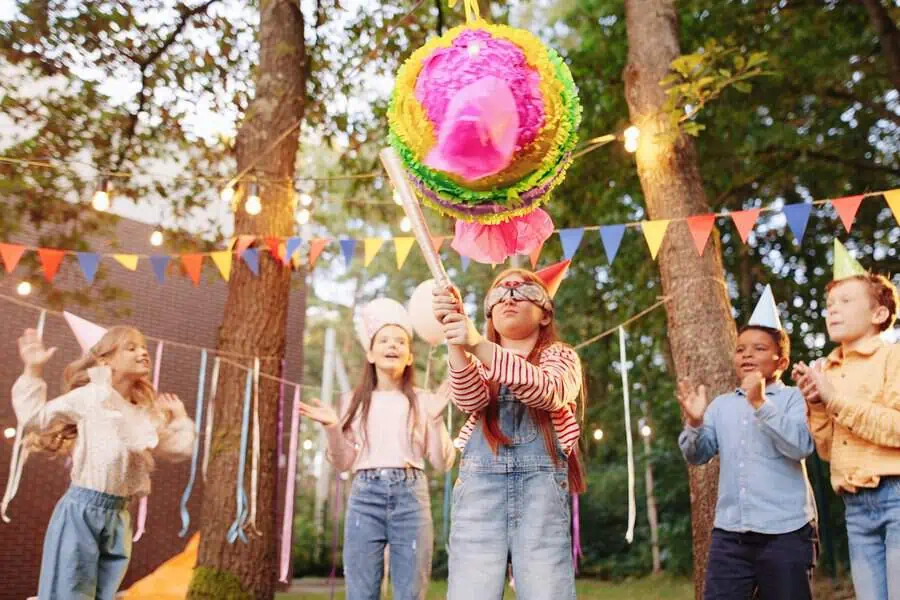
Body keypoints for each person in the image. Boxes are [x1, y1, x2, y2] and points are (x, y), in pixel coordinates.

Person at [11, 315, 194, 600]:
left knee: (103, 595)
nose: (143, 352)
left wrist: (181, 419)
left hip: (119, 516)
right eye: (130, 348)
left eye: (143, 347)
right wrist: (33, 369)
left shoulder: (144, 413)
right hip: (81, 511)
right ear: (105, 361)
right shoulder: (91, 397)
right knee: (69, 592)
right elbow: (35, 418)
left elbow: (178, 450)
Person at [433, 261, 584, 600]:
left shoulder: (560, 357)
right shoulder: (476, 364)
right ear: (489, 314)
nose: (510, 296)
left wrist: (477, 344)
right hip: (479, 495)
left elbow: (548, 390)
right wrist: (454, 336)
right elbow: (469, 399)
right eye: (500, 292)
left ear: (545, 314)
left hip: (540, 495)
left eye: (524, 290)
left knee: (547, 591)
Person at [298, 298, 454, 600]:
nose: (392, 345)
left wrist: (435, 422)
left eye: (400, 341)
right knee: (360, 592)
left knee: (411, 592)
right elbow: (343, 463)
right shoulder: (351, 402)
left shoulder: (424, 401)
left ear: (410, 357)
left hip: (411, 496)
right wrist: (332, 428)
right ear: (370, 353)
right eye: (384, 340)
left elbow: (442, 461)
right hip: (365, 496)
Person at [678, 285, 817, 600]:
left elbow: (801, 446)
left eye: (758, 348)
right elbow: (696, 455)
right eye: (741, 349)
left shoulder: (794, 398)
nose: (747, 355)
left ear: (780, 361)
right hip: (731, 536)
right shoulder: (721, 405)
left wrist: (760, 404)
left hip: (787, 531)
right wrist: (696, 422)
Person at [794, 241, 900, 600]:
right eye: (829, 305)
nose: (832, 311)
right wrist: (818, 406)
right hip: (855, 507)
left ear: (879, 315)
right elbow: (827, 452)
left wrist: (835, 399)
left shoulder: (893, 357)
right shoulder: (829, 368)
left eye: (845, 302)